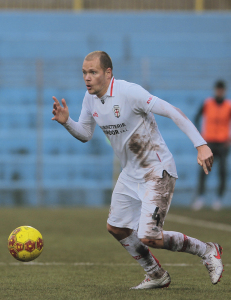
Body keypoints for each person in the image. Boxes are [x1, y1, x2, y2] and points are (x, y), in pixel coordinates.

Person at [51, 51, 223, 289]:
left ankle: (207, 250)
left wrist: (200, 144)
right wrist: (67, 122)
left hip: (157, 171)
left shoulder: (130, 92)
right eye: (84, 73)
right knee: (117, 228)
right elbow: (86, 134)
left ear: (108, 73)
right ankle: (155, 274)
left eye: (93, 72)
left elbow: (172, 111)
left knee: (149, 236)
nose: (87, 78)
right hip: (130, 173)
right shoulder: (89, 99)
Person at [192, 80, 231, 211]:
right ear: (215, 90)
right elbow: (196, 118)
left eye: (221, 89)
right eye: (218, 89)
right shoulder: (207, 103)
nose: (219, 92)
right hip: (208, 142)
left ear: (224, 91)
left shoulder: (228, 105)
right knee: (204, 170)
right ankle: (200, 198)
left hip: (223, 143)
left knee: (223, 171)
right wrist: (199, 137)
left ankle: (218, 199)